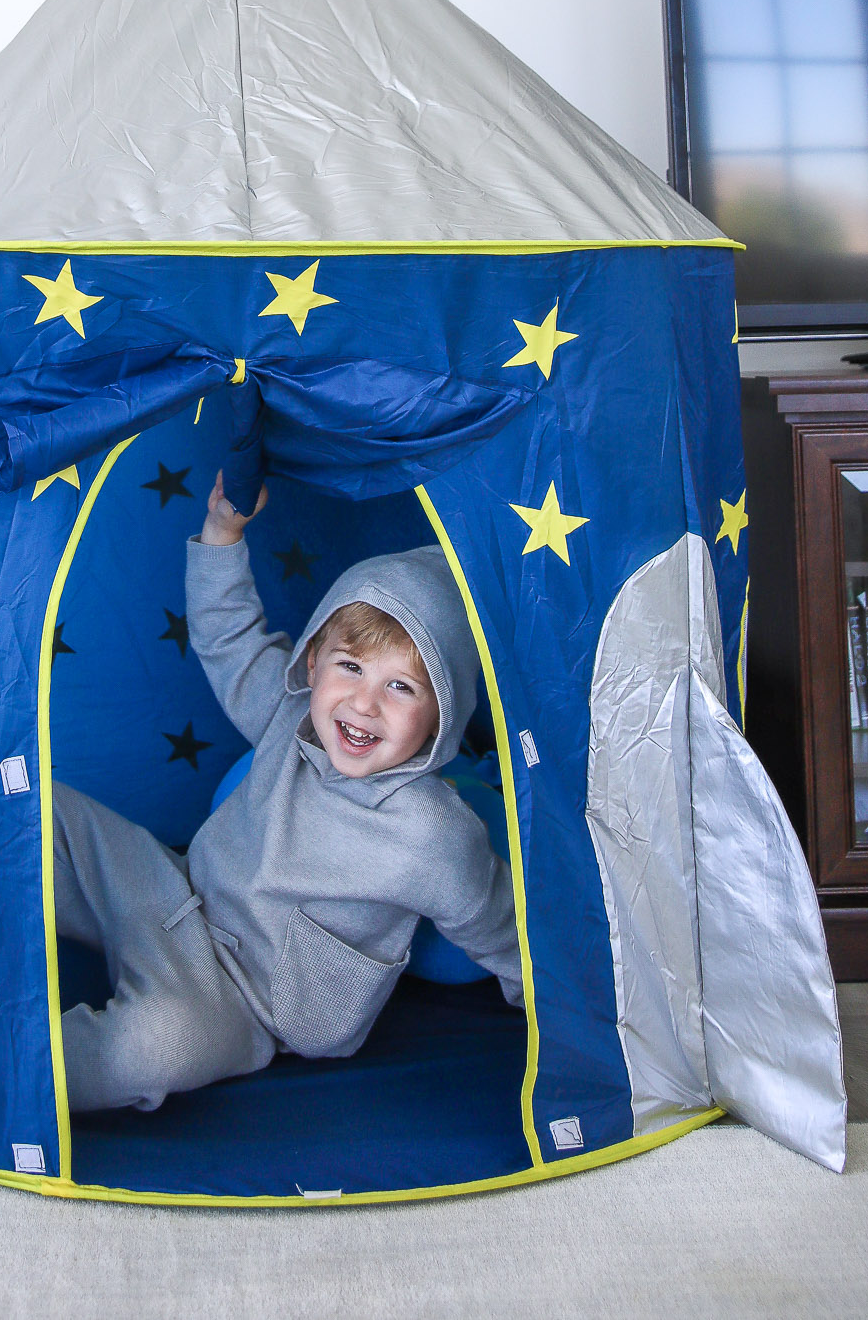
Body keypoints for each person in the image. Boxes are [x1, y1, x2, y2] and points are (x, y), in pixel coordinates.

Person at [52, 472, 523, 1114]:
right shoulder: (289, 715)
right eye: (350, 667)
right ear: (312, 664)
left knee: (150, 1046)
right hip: (171, 890)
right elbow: (229, 641)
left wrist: (573, 1022)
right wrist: (222, 534)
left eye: (402, 688)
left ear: (442, 717)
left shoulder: (433, 836)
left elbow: (504, 931)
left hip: (243, 1004)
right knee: (41, 814)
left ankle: (5, 1075)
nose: (364, 703)